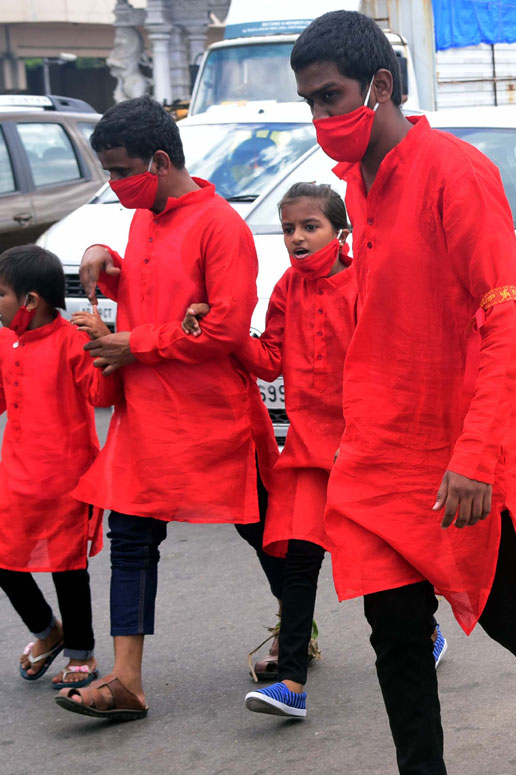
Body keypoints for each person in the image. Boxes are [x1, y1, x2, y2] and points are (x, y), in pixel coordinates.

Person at [290, 10, 516, 775]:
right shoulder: (360, 183)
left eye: (332, 97)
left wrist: (475, 454)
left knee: (510, 611)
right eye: (311, 102)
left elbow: (505, 323)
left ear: (381, 88)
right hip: (380, 449)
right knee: (395, 628)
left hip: (459, 447)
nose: (323, 117)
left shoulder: (455, 174)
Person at [54, 96, 284, 721]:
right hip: (146, 415)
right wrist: (114, 270)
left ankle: (297, 631)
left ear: (158, 160)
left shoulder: (221, 227)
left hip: (213, 419)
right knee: (130, 537)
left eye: (121, 169)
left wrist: (135, 343)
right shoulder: (143, 219)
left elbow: (228, 328)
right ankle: (126, 678)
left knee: (267, 533)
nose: (114, 183)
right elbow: (164, 298)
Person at [183, 183, 447, 718]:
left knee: (392, 555)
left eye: (310, 226)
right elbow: (269, 360)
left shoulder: (366, 281)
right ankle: (292, 685)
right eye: (288, 229)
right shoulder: (285, 288)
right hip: (307, 448)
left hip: (368, 447)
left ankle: (429, 629)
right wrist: (224, 329)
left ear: (340, 231)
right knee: (301, 559)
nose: (298, 238)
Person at [0, 246, 118, 689]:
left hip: (68, 479)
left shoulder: (72, 341)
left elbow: (102, 397)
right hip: (15, 477)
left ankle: (80, 651)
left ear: (30, 301)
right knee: (5, 559)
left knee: (67, 566)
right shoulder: (5, 343)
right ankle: (47, 631)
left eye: (1, 295)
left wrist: (102, 342)